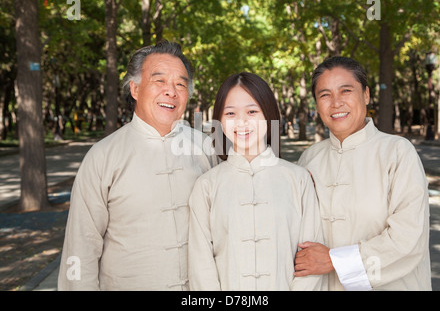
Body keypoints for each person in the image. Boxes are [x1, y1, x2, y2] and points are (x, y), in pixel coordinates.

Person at [58, 40, 217, 290]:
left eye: (180, 84)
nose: (171, 92)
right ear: (135, 88)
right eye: (159, 81)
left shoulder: (206, 149)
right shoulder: (103, 156)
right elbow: (81, 248)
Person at [294, 57, 432, 291]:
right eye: (324, 95)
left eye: (346, 91)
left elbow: (409, 239)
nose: (336, 103)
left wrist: (335, 260)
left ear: (366, 95)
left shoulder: (398, 153)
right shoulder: (308, 160)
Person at [188, 72, 326, 291]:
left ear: (269, 115)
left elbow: (309, 260)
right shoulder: (206, 186)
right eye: (230, 113)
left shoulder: (298, 179)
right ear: (219, 121)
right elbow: (200, 265)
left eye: (252, 111)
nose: (242, 121)